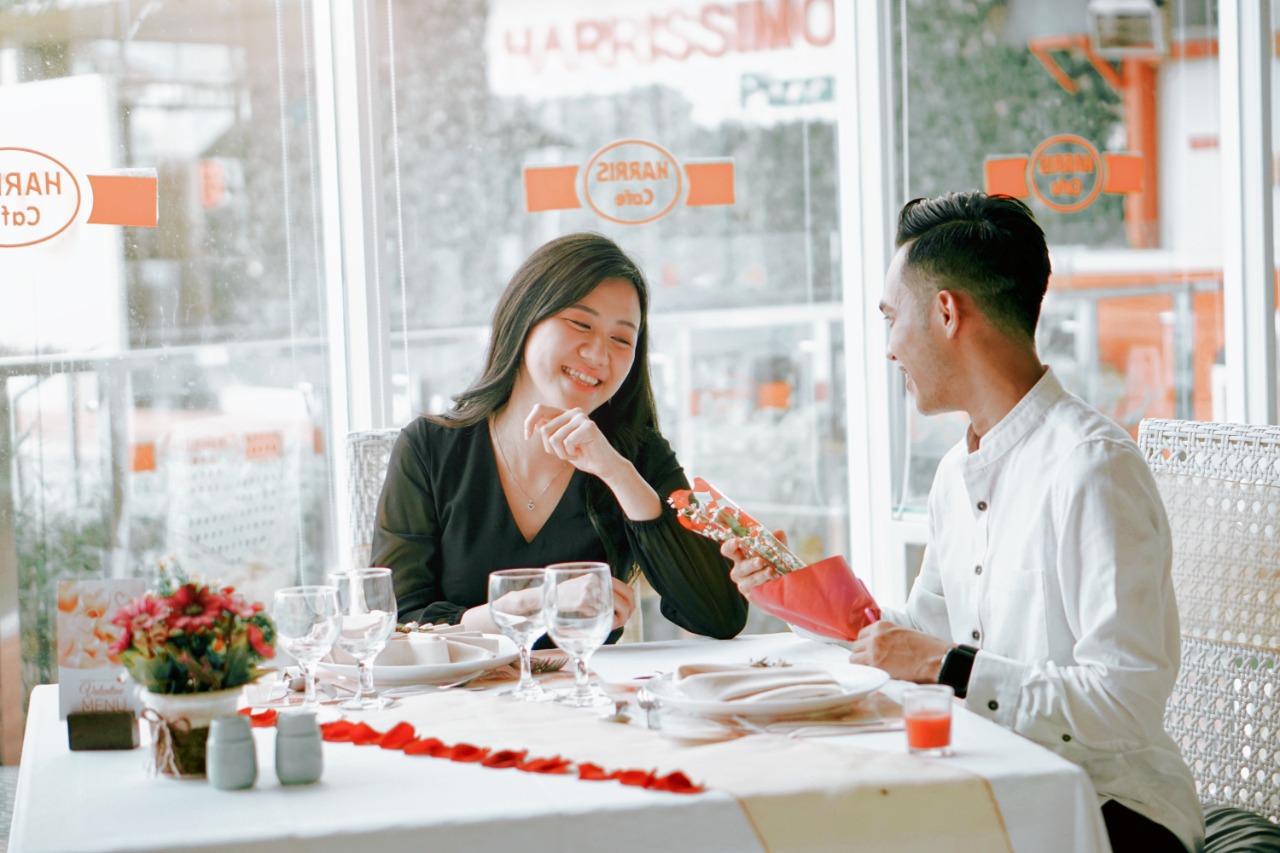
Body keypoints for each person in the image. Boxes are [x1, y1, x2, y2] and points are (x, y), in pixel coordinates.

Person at [724, 192, 1203, 853]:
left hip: (1106, 806)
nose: (889, 348)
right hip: (990, 780)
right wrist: (791, 589)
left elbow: (1125, 701)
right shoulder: (955, 471)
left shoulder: (1092, 467)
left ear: (946, 312)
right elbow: (922, 635)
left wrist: (950, 666)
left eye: (892, 318)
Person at [371, 231, 747, 642]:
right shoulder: (429, 449)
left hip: (591, 684)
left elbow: (720, 616)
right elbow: (398, 626)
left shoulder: (635, 456)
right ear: (525, 317)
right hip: (465, 685)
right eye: (580, 324)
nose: (599, 355)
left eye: (622, 339)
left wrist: (619, 475)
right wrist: (536, 602)